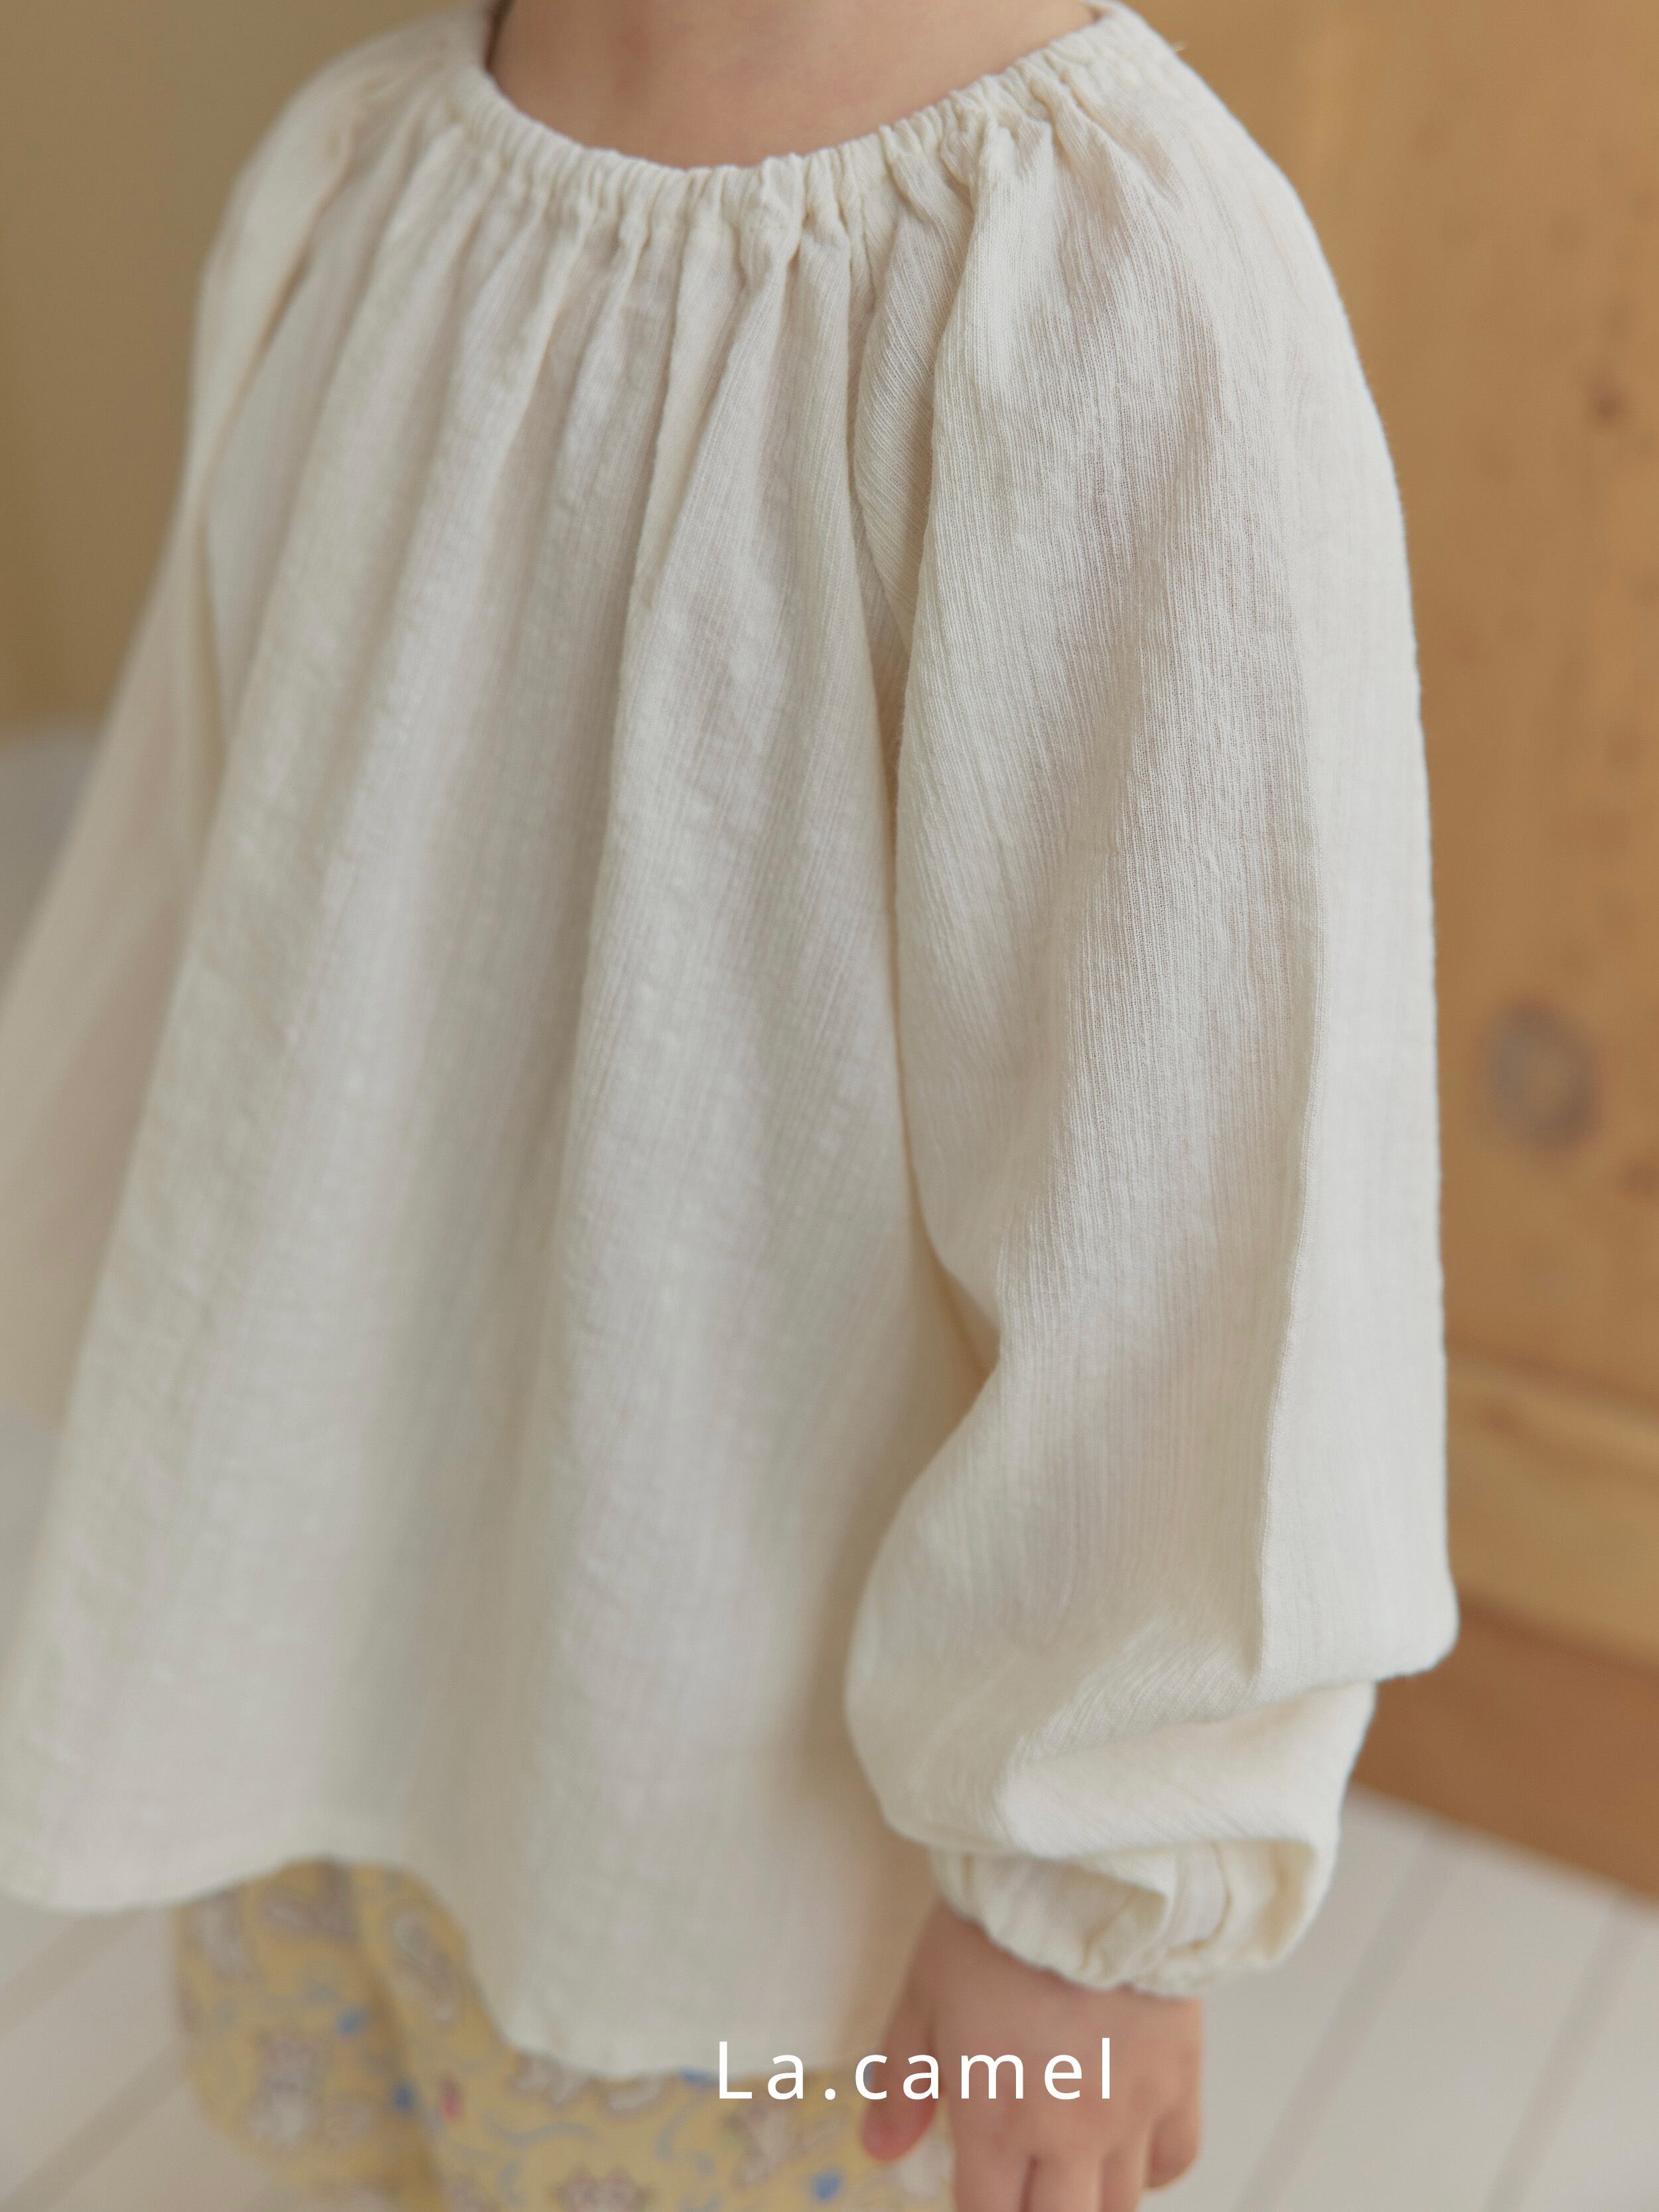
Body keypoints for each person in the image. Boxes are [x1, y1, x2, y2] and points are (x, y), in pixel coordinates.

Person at [0, 0, 1458, 2206]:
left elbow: (1200, 1198)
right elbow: (232, 885)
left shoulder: (1106, 290)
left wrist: (1086, 1890)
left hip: (729, 1811)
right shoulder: (370, 168)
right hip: (330, 1616)